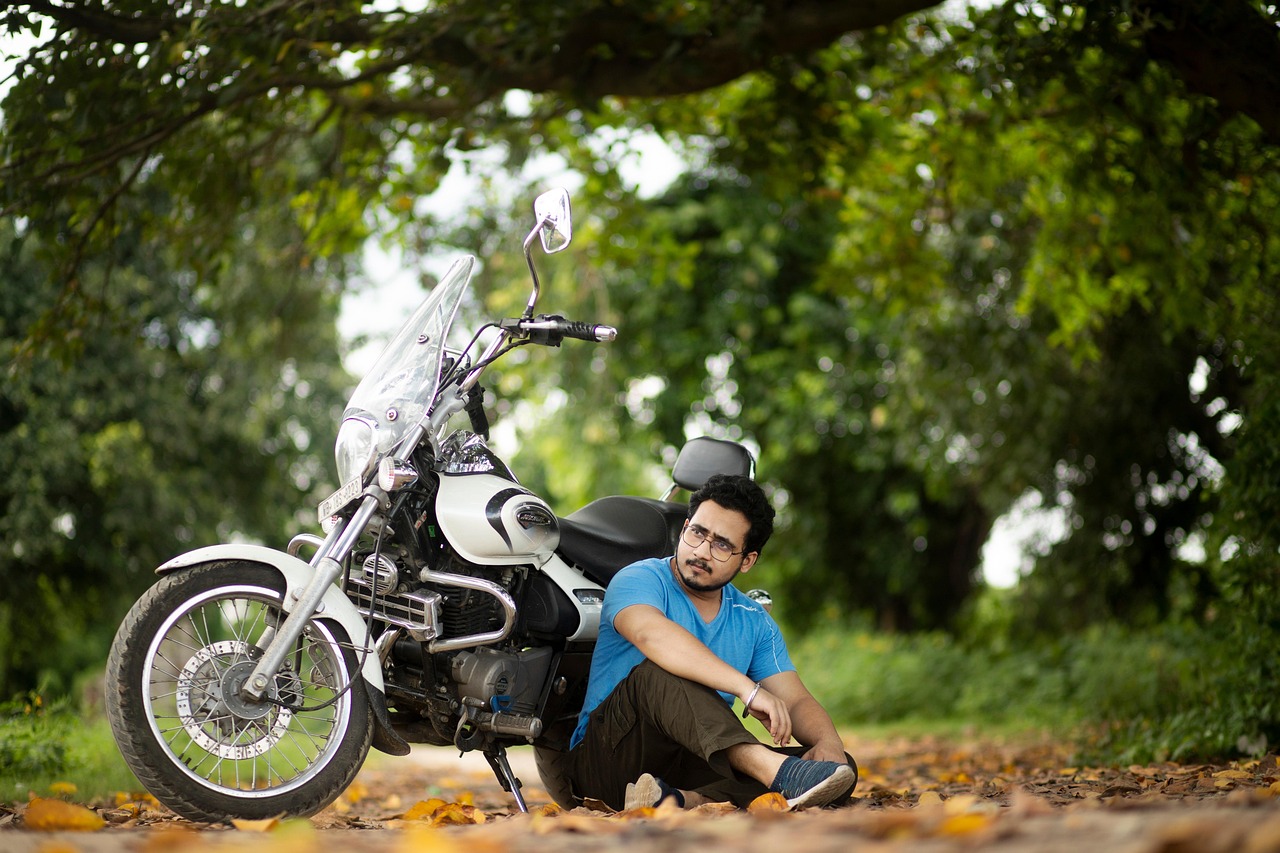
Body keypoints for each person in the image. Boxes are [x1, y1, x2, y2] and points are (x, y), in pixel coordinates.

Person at [565, 473, 857, 811]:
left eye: (722, 545)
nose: (702, 551)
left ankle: (681, 798)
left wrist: (828, 742)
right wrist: (747, 689)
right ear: (684, 528)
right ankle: (775, 774)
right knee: (659, 672)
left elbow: (795, 699)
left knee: (838, 767)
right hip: (609, 761)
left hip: (694, 763)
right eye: (697, 533)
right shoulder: (639, 579)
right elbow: (651, 635)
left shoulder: (753, 620)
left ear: (747, 560)